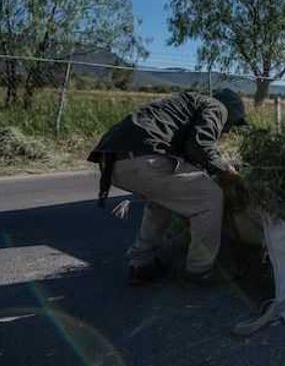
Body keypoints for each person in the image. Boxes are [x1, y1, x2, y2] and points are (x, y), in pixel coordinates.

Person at [88, 88, 247, 285]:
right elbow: (200, 145)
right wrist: (227, 171)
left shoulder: (183, 103)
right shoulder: (217, 106)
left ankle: (141, 264)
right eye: (232, 123)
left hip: (113, 161)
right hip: (145, 158)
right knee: (210, 197)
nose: (229, 129)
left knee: (163, 201)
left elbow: (188, 150)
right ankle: (200, 270)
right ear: (230, 109)